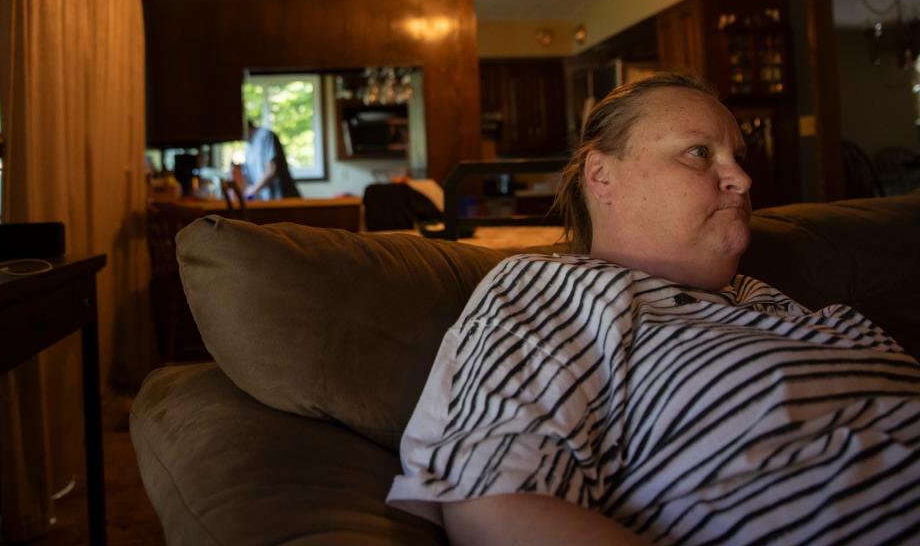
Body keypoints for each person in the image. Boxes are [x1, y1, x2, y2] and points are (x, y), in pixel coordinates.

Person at [387, 73, 920, 545]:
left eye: (738, 157)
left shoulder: (768, 299)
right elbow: (495, 505)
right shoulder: (551, 287)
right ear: (601, 176)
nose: (743, 179)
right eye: (699, 153)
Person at [241, 118, 300, 200]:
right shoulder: (248, 146)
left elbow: (271, 170)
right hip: (267, 199)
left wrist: (252, 191)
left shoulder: (265, 135)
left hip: (283, 198)